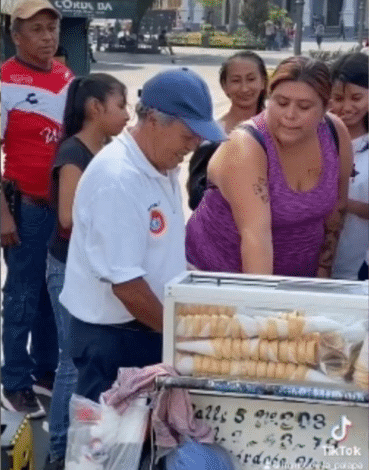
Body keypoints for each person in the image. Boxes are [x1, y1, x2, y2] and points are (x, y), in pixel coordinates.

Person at [59, 68, 226, 403]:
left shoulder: (158, 167)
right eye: (188, 135)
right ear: (153, 120)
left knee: (139, 444)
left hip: (142, 328)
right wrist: (179, 339)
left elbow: (155, 250)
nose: (193, 146)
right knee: (106, 445)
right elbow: (128, 287)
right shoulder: (119, 178)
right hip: (115, 338)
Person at [186, 56, 354, 278]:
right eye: (281, 103)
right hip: (222, 277)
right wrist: (263, 307)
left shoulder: (335, 134)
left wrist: (322, 272)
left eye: (304, 106)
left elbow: (337, 210)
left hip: (298, 278)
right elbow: (256, 237)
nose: (290, 115)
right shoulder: (246, 146)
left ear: (325, 109)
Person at [44, 74, 129, 470]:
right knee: (69, 362)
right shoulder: (74, 153)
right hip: (68, 267)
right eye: (121, 105)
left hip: (96, 269)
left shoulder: (110, 149)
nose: (127, 115)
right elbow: (67, 216)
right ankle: (60, 448)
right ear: (96, 108)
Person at [0, 0, 73, 419]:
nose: (47, 37)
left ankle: (45, 370)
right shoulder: (6, 81)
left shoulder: (66, 78)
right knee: (23, 296)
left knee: (52, 293)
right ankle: (15, 382)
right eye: (37, 30)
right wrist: (2, 214)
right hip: (24, 207)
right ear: (17, 36)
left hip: (59, 207)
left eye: (52, 29)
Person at [187, 51, 268, 209]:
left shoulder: (279, 129)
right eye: (236, 81)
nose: (245, 88)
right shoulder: (212, 136)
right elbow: (197, 197)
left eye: (251, 79)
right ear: (225, 87)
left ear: (264, 82)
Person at [329, 53, 368, 280]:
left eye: (357, 98)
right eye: (338, 98)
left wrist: (343, 203)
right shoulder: (316, 138)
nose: (347, 107)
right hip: (314, 265)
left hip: (360, 267)